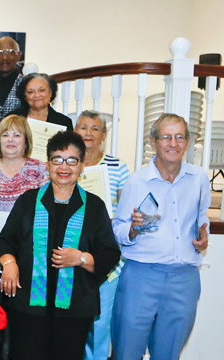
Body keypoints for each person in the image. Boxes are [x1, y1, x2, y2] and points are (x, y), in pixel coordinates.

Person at [0, 131, 120, 360]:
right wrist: (10, 263)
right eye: (57, 159)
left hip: (74, 310)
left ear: (82, 166)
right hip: (28, 308)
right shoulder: (29, 201)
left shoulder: (94, 206)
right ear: (48, 164)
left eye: (72, 160)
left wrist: (81, 258)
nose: (64, 166)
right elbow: (5, 241)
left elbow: (110, 254)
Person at [111, 113, 210, 360]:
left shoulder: (199, 178)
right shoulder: (136, 182)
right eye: (166, 137)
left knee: (168, 353)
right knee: (127, 351)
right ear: (153, 142)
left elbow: (202, 217)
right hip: (141, 276)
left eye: (179, 137)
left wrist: (203, 236)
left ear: (187, 142)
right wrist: (133, 229)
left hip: (184, 278)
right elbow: (118, 230)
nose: (172, 143)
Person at [74, 110, 130, 360]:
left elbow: (128, 207)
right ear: (75, 132)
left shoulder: (118, 166)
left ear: (104, 135)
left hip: (105, 258)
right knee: (72, 324)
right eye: (83, 127)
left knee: (100, 325)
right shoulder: (67, 163)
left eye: (95, 128)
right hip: (71, 253)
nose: (88, 132)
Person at [0, 114, 48, 269]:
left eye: (17, 135)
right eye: (5, 135)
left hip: (30, 256)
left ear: (26, 141)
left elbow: (47, 213)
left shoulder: (41, 169)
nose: (10, 139)